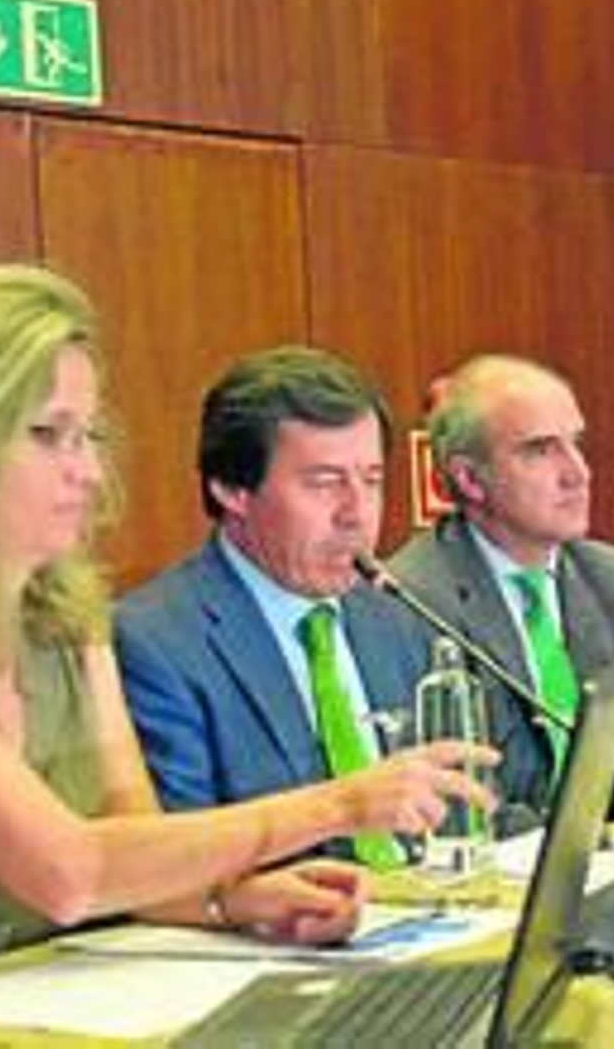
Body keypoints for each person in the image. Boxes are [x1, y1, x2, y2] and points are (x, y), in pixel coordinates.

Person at [0, 266, 492, 970]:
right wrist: (340, 805)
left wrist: (232, 900)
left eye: (88, 436)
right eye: (50, 434)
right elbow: (69, 874)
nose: (88, 472)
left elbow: (134, 841)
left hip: (47, 991)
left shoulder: (70, 621)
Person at [116, 346, 489, 868]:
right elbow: (173, 865)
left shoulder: (398, 613)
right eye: (325, 482)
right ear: (232, 489)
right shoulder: (156, 642)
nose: (357, 514)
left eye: (372, 480)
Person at [387, 355, 614, 824]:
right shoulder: (410, 600)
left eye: (576, 444)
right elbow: (458, 797)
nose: (578, 473)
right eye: (540, 450)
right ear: (469, 478)